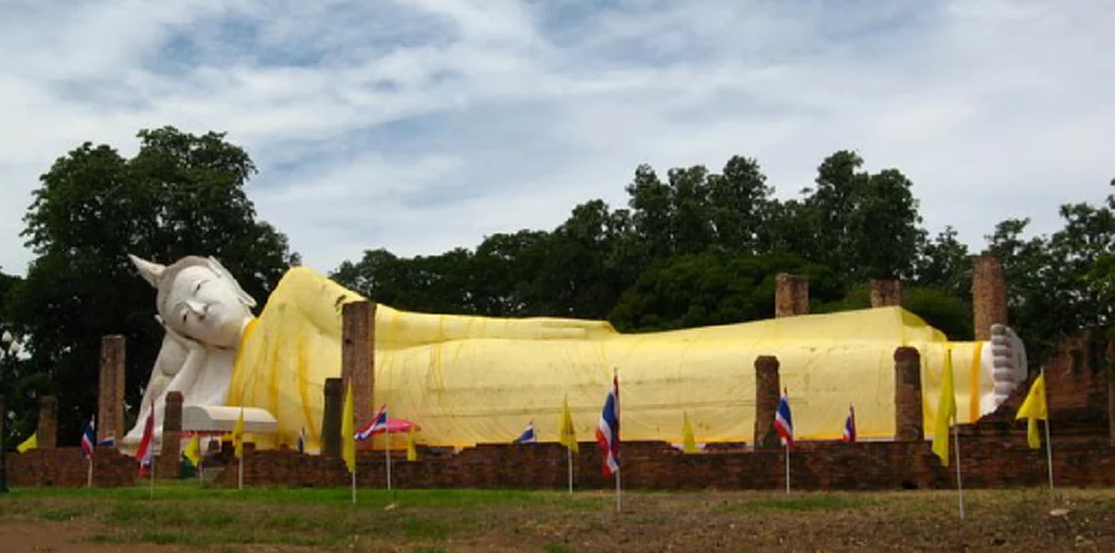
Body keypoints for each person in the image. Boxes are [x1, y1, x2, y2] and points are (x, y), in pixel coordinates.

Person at [124, 254, 1027, 449]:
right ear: (183, 334)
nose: (209, 318)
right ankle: (957, 385)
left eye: (208, 298)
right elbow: (170, 435)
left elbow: (403, 324)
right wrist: (176, 397)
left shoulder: (299, 296)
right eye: (191, 320)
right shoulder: (216, 370)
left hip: (445, 365)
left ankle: (936, 361)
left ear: (235, 285)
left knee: (660, 360)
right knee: (670, 386)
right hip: (407, 413)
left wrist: (533, 330)